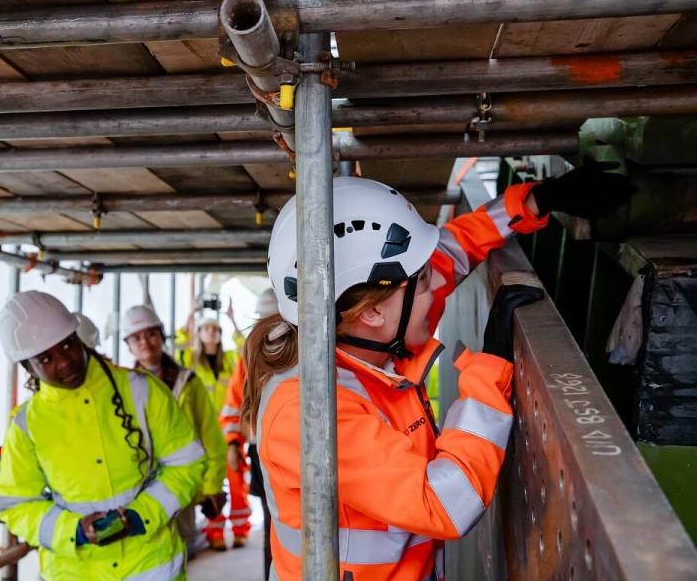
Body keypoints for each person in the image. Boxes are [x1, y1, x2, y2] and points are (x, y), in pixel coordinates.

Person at [243, 165, 630, 579]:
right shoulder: (312, 413)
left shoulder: (362, 333)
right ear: (371, 311)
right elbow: (446, 502)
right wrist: (491, 369)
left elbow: (453, 251)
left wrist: (535, 200)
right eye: (424, 278)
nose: (438, 282)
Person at [0, 291, 205, 580]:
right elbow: (17, 505)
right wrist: (75, 531)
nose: (65, 362)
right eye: (46, 358)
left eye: (69, 344)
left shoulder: (142, 391)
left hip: (150, 567)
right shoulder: (26, 425)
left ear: (79, 337)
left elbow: (188, 462)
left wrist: (140, 515)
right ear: (28, 367)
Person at [121, 304, 227, 557]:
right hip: (135, 488)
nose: (145, 342)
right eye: (136, 337)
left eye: (151, 334)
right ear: (128, 344)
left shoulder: (188, 382)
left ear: (161, 336)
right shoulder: (119, 386)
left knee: (179, 555)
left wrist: (212, 486)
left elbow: (210, 436)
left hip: (181, 485)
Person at [220, 287, 278, 575]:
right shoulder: (249, 357)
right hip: (261, 450)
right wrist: (232, 443)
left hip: (298, 448)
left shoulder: (310, 348)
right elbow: (234, 404)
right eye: (263, 320)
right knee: (273, 523)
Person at [175, 304, 243, 550]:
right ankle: (215, 533)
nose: (212, 333)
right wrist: (190, 315)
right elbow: (179, 346)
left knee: (236, 481)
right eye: (206, 329)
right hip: (203, 433)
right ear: (199, 333)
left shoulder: (229, 360)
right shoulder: (192, 361)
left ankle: (240, 530)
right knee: (210, 484)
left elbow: (245, 351)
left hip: (228, 431)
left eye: (216, 329)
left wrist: (233, 323)